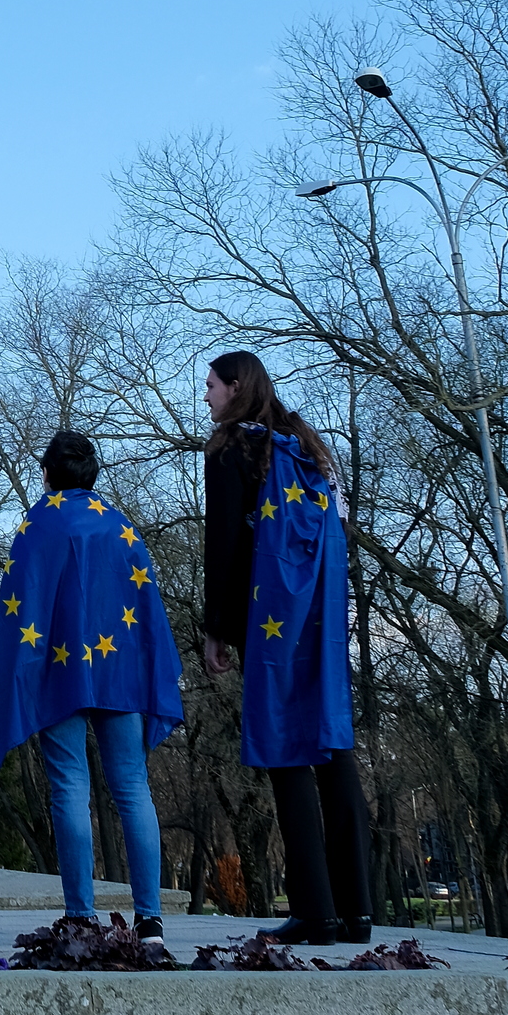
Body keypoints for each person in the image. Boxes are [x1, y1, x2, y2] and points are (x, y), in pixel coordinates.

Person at [202, 349, 372, 945]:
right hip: (317, 612)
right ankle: (357, 909)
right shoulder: (303, 445)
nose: (207, 398)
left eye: (212, 387)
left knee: (283, 747)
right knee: (331, 744)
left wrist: (214, 626)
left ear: (236, 388)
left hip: (264, 609)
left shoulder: (230, 449)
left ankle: (315, 912)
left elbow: (222, 543)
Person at [0, 429, 185, 940]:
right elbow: (148, 612)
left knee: (69, 786)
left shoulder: (38, 525)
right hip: (119, 674)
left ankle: (80, 916)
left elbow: (18, 606)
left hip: (58, 675)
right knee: (132, 788)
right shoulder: (120, 527)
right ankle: (150, 920)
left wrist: (19, 675)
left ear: (49, 473)